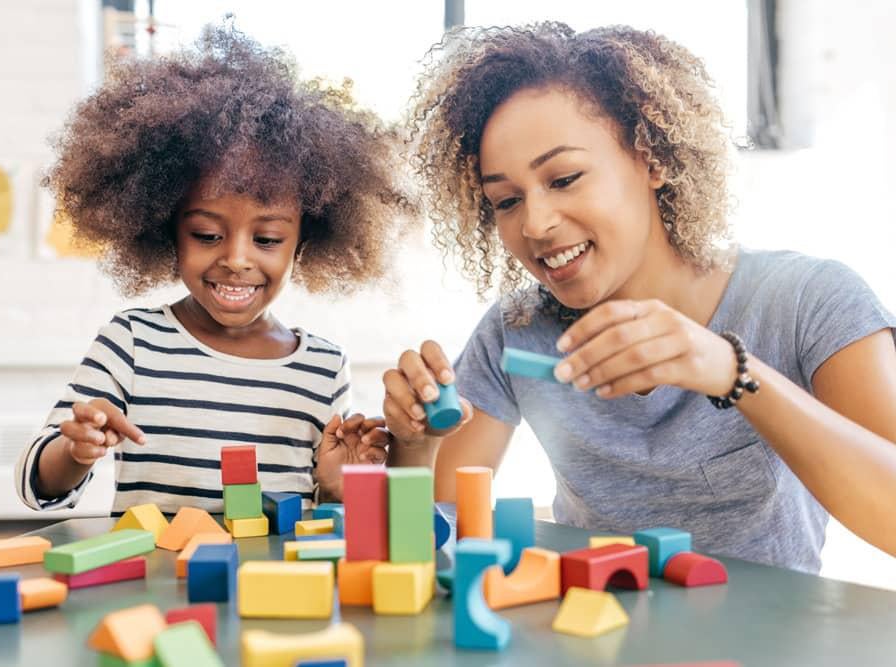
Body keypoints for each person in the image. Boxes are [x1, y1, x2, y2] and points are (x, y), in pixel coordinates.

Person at [384, 22, 896, 572]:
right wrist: (414, 444)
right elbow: (434, 537)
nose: (535, 223)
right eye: (506, 201)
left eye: (564, 178)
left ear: (651, 159)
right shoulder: (518, 330)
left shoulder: (807, 301)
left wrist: (732, 371)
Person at [15, 23, 410, 515]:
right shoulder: (133, 343)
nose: (237, 259)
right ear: (166, 230)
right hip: (158, 590)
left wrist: (333, 489)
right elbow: (39, 486)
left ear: (304, 243)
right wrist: (76, 451)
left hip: (269, 590)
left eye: (266, 239)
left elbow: (313, 519)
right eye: (207, 235)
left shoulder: (323, 369)